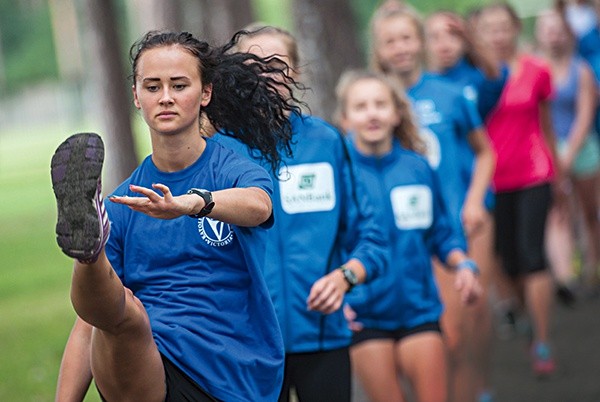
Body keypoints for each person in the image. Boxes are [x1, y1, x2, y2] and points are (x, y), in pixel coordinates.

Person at [51, 30, 304, 401]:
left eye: (179, 85)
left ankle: (92, 254)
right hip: (148, 362)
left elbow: (258, 205)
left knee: (122, 316)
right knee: (123, 317)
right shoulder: (127, 202)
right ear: (136, 96)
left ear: (205, 93)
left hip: (232, 369)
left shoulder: (233, 170)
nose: (166, 97)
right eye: (152, 87)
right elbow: (87, 324)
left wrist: (192, 203)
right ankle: (88, 252)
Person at [215, 25, 388, 402]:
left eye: (277, 64)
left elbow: (372, 239)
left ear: (295, 72)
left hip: (323, 337)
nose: (265, 75)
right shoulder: (218, 150)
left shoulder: (325, 141)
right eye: (252, 64)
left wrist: (345, 278)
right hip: (248, 344)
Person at [369, 3, 496, 401]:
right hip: (399, 234)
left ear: (420, 42)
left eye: (407, 37)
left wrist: (475, 201)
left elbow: (486, 153)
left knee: (457, 333)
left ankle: (473, 388)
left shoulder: (451, 94)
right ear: (379, 50)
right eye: (391, 41)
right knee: (417, 337)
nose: (401, 48)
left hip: (457, 225)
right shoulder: (373, 102)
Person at [335, 69, 481, 402]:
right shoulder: (339, 174)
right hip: (363, 317)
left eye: (380, 104)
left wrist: (463, 264)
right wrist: (336, 296)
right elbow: (323, 246)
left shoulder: (418, 168)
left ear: (397, 112)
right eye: (360, 106)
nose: (372, 113)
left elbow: (442, 234)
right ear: (345, 118)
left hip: (419, 311)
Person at [424, 10, 507, 402]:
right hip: (428, 220)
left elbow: (495, 73)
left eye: (451, 36)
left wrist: (472, 38)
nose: (444, 44)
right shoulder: (399, 94)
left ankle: (482, 383)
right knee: (447, 319)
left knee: (475, 307)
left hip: (473, 210)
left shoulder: (470, 84)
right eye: (435, 36)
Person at [477, 2, 563, 376]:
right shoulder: (474, 76)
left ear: (515, 28)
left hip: (534, 172)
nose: (497, 35)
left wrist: (557, 173)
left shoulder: (536, 69)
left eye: (503, 27)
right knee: (505, 260)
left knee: (533, 256)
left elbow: (546, 124)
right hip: (491, 180)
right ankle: (522, 311)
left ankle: (542, 341)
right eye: (489, 28)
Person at [537, 9, 600, 298]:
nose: (553, 35)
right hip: (548, 149)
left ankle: (594, 264)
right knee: (559, 212)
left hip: (581, 148)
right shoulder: (536, 70)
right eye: (547, 29)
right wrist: (553, 155)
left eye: (558, 29)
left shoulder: (582, 69)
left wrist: (569, 154)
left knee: (589, 211)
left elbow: (585, 114)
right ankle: (565, 274)